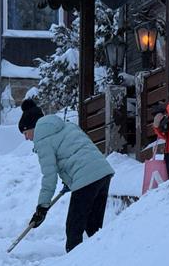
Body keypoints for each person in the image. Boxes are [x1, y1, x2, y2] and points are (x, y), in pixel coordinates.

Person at [18, 99, 115, 253]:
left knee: (73, 231)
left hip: (86, 178)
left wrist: (42, 207)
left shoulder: (42, 138)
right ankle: (103, 258)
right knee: (94, 229)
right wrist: (69, 181)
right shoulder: (66, 126)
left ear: (31, 127)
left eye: (25, 132)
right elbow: (76, 153)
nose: (26, 138)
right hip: (103, 173)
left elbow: (49, 176)